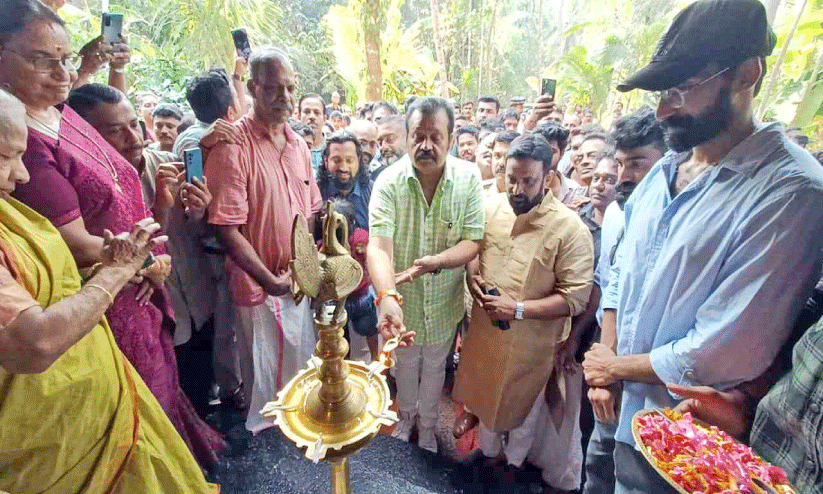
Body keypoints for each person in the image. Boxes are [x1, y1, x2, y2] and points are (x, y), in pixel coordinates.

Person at [581, 1, 823, 493]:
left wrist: (613, 367)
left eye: (681, 90)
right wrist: (603, 365)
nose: (663, 108)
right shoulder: (668, 166)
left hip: (686, 442)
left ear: (745, 75)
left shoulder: (790, 193)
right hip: (615, 408)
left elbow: (724, 347)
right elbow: (623, 271)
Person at [0, 1, 224, 471]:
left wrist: (92, 64)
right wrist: (145, 264)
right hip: (102, 305)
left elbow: (116, 150)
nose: (60, 72)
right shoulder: (20, 144)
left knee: (161, 409)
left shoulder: (59, 111)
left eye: (64, 58)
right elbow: (77, 244)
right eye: (43, 59)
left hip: (136, 286)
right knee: (128, 436)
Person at [454, 134, 594, 492]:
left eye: (527, 181)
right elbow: (473, 251)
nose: (516, 188)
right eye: (510, 178)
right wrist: (472, 277)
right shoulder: (490, 207)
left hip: (533, 344)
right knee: (484, 397)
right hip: (487, 332)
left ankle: (513, 466)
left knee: (524, 411)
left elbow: (575, 297)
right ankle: (488, 455)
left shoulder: (570, 229)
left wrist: (517, 309)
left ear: (548, 177)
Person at [205, 47, 322, 434]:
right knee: (266, 387)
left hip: (296, 283)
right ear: (252, 88)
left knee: (302, 372)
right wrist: (269, 280)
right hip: (258, 287)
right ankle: (271, 465)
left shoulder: (300, 145)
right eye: (273, 89)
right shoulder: (233, 145)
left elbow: (309, 212)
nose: (284, 98)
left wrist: (305, 264)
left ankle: (299, 448)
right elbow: (226, 228)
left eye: (289, 88)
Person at [368, 96, 485, 453]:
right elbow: (378, 248)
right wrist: (388, 296)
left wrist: (440, 261)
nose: (426, 145)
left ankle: (430, 428)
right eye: (418, 136)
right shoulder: (387, 182)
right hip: (401, 304)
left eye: (436, 137)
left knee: (435, 368)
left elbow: (473, 241)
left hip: (444, 303)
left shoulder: (468, 179)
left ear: (451, 139)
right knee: (404, 366)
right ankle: (405, 422)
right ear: (406, 137)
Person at [579, 106, 666, 494]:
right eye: (620, 163)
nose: (624, 175)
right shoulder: (620, 211)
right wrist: (604, 370)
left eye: (637, 163)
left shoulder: (679, 216)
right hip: (611, 376)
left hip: (660, 399)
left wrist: (611, 368)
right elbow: (614, 284)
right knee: (596, 471)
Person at [317, 131, 378, 362]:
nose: (343, 167)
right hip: (329, 289)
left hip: (363, 288)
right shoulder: (316, 193)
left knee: (369, 327)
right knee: (334, 339)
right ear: (325, 161)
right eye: (336, 160)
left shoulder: (372, 192)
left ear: (359, 161)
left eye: (349, 160)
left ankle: (378, 370)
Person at [173, 68, 242, 160]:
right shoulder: (193, 141)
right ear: (230, 113)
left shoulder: (187, 138)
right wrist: (204, 146)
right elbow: (191, 173)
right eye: (237, 97)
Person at [532, 123, 588, 206]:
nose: (545, 157)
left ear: (561, 153)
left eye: (551, 151)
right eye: (540, 150)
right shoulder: (523, 188)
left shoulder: (575, 192)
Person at [371, 114, 406, 180]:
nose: (383, 147)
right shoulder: (377, 177)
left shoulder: (424, 172)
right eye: (380, 142)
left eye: (390, 139)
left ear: (407, 138)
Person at [299, 93, 327, 173]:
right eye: (307, 112)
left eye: (317, 112)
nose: (312, 116)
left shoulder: (333, 147)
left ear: (324, 119)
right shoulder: (291, 147)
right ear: (299, 117)